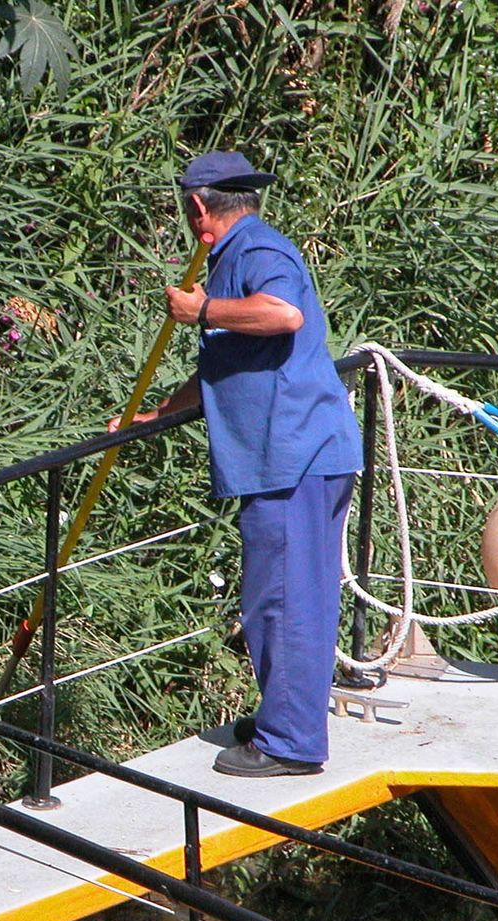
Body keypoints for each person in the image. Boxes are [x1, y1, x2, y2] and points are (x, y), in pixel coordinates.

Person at [114, 150, 362, 778]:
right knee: (277, 596)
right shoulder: (236, 255)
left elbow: (283, 315)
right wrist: (161, 412)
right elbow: (227, 360)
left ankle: (291, 742)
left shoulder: (256, 252)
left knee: (284, 600)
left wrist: (200, 311)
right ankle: (288, 713)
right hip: (295, 456)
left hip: (295, 457)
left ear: (198, 208)